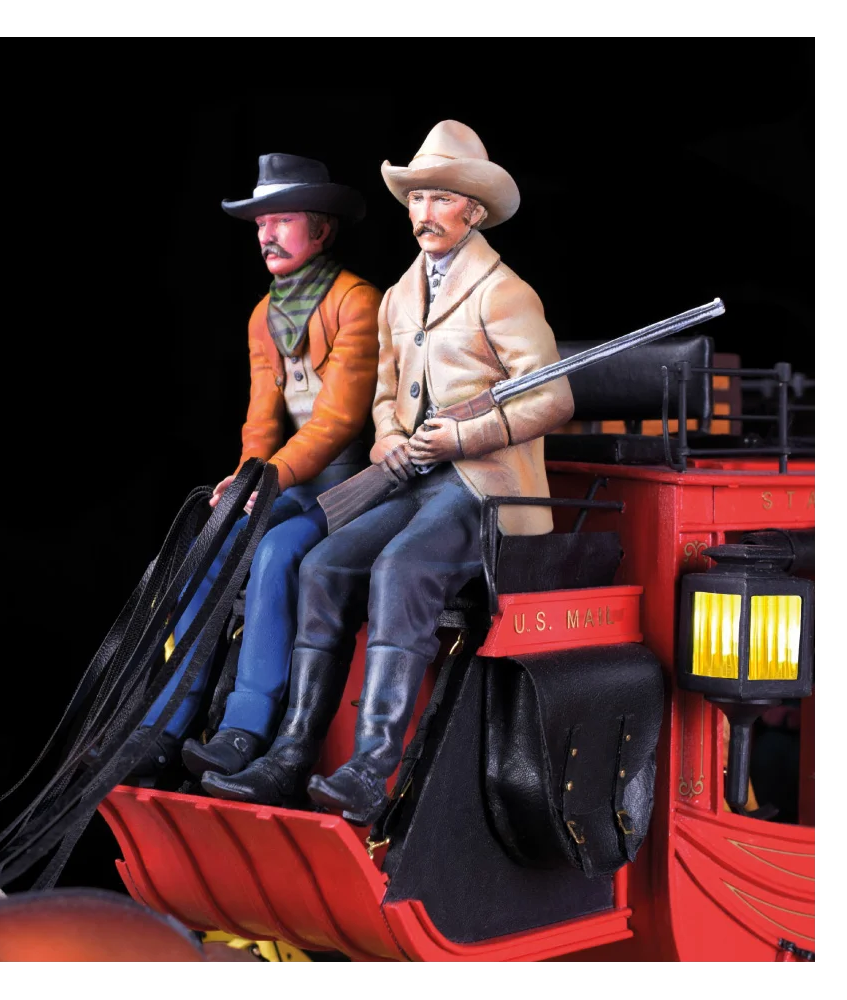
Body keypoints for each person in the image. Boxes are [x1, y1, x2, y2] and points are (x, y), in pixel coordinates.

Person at [201, 121, 575, 824]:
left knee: (401, 567)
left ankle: (372, 768)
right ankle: (291, 751)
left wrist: (464, 434)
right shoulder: (401, 295)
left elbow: (553, 397)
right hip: (412, 477)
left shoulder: (504, 292)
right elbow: (382, 394)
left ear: (474, 212)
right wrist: (392, 441)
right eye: (418, 198)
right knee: (322, 564)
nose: (425, 213)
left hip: (485, 488)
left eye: (442, 198)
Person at [128, 154, 382, 782]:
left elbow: (338, 420)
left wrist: (269, 480)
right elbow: (262, 420)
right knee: (212, 545)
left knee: (274, 553)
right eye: (260, 223)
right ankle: (162, 724)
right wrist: (246, 477)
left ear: (321, 229)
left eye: (282, 220)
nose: (267, 234)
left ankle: (244, 726)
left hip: (352, 485)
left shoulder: (356, 302)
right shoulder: (263, 316)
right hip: (289, 478)